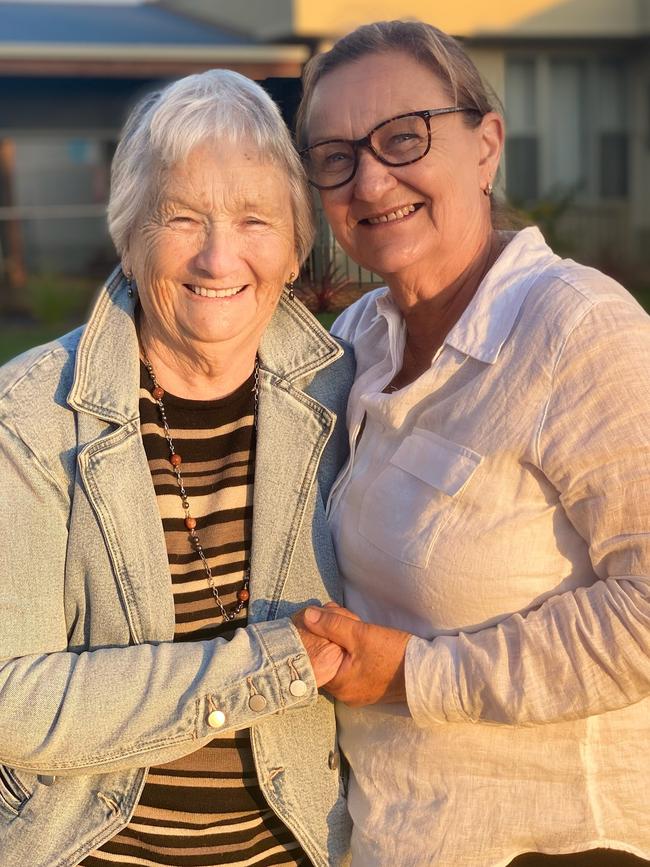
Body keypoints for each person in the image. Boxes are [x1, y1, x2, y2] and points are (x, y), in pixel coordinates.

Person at [293, 18, 650, 867]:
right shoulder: (358, 340)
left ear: (486, 143)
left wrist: (417, 674)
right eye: (336, 157)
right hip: (396, 833)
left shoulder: (576, 330)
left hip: (555, 840)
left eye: (403, 137)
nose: (371, 179)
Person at [0, 69, 354, 867]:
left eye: (255, 218)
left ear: (296, 248)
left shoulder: (352, 398)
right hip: (92, 847)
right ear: (129, 235)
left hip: (297, 848)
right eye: (183, 216)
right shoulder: (28, 416)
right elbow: (13, 699)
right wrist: (265, 664)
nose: (218, 255)